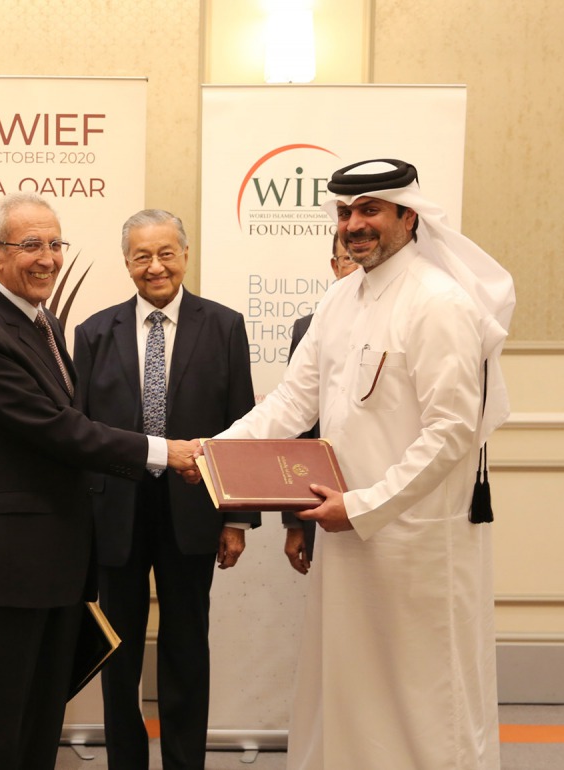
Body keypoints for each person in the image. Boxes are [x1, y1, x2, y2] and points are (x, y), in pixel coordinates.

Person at [214, 159, 515, 769]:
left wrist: (362, 505)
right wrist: (214, 454)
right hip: (347, 533)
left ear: (408, 215)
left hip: (414, 542)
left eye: (370, 209)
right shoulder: (339, 299)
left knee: (423, 696)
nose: (355, 224)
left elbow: (452, 431)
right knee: (347, 688)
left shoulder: (438, 303)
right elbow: (291, 401)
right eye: (346, 212)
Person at [0, 193, 202, 770]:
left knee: (39, 713)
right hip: (10, 560)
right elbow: (60, 431)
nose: (47, 258)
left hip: (57, 555)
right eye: (31, 244)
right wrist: (163, 451)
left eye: (55, 244)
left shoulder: (44, 322)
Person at [72, 209, 259, 770]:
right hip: (116, 517)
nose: (155, 267)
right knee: (117, 653)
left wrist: (236, 517)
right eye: (141, 256)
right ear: (126, 262)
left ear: (184, 254)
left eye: (165, 254)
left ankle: (185, 762)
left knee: (185, 648)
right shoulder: (93, 332)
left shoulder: (223, 326)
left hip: (194, 512)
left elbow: (240, 422)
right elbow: (80, 432)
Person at [282, 231, 359, 575]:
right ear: (334, 266)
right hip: (323, 500)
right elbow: (300, 431)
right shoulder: (309, 328)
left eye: (362, 259)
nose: (356, 268)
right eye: (348, 259)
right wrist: (295, 523)